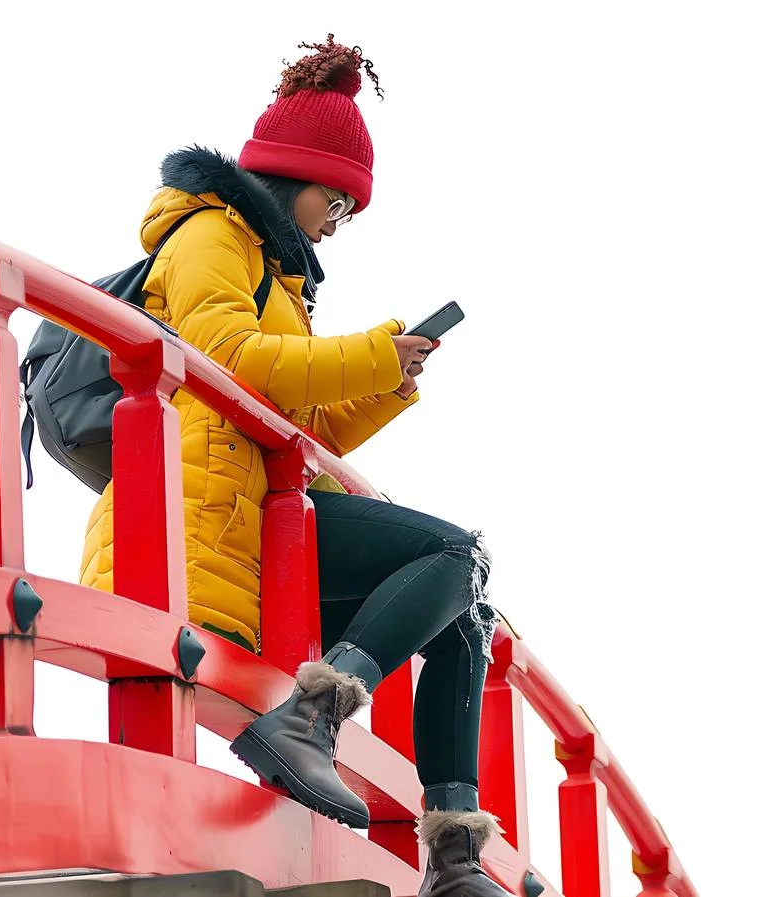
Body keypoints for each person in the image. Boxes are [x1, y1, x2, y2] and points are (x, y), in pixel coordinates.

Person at [78, 36, 507, 895]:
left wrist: (392, 377)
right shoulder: (208, 232)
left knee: (464, 605)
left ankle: (454, 855)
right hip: (204, 516)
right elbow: (231, 355)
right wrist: (376, 351)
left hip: (260, 513)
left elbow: (296, 425)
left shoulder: (277, 273)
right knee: (452, 555)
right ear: (289, 177)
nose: (336, 222)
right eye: (334, 200)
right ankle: (310, 715)